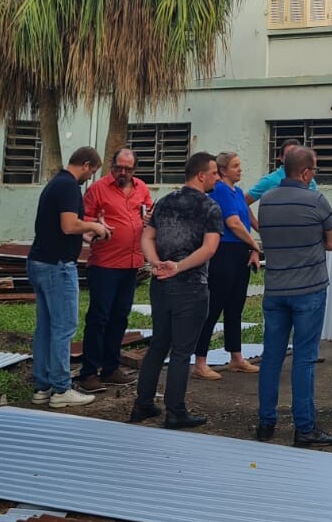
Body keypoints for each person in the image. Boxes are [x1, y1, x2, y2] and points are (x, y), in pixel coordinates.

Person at [129, 152, 222, 430]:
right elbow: (209, 248)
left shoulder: (164, 201)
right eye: (214, 173)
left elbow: (147, 236)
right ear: (201, 175)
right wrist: (178, 267)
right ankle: (175, 411)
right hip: (190, 284)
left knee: (159, 343)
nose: (217, 178)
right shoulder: (210, 207)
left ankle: (143, 403)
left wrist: (155, 262)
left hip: (161, 284)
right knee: (182, 351)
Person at [255, 145, 332, 448]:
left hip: (275, 289)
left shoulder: (266, 201)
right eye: (313, 170)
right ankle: (304, 427)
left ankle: (265, 422)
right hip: (308, 290)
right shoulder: (316, 200)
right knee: (304, 358)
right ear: (305, 173)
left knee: (271, 357)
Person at [27, 146, 108, 409]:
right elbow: (68, 225)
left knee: (46, 327)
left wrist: (87, 234)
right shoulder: (69, 187)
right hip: (57, 266)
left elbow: (62, 227)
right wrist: (95, 225)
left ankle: (43, 386)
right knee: (63, 327)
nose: (90, 177)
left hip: (40, 261)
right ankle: (61, 389)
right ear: (86, 165)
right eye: (92, 172)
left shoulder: (56, 184)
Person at [78, 147, 152, 392]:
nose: (122, 172)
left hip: (131, 264)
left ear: (134, 170)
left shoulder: (141, 188)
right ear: (112, 166)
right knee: (99, 318)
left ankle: (110, 368)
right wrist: (95, 227)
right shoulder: (97, 189)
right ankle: (89, 372)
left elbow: (149, 213)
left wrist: (148, 220)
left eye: (127, 169)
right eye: (118, 167)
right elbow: (83, 221)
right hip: (105, 264)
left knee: (120, 317)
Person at [192, 150, 261, 380]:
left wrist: (253, 248)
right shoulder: (219, 190)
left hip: (241, 251)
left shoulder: (238, 192)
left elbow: (247, 220)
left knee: (235, 306)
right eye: (235, 166)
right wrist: (254, 244)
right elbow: (233, 223)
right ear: (222, 170)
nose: (240, 169)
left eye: (239, 165)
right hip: (224, 251)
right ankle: (200, 361)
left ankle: (236, 357)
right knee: (214, 306)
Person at [247, 138, 319, 202]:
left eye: (297, 156)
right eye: (288, 156)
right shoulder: (270, 180)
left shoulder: (310, 180)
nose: (293, 159)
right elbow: (244, 202)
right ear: (281, 158)